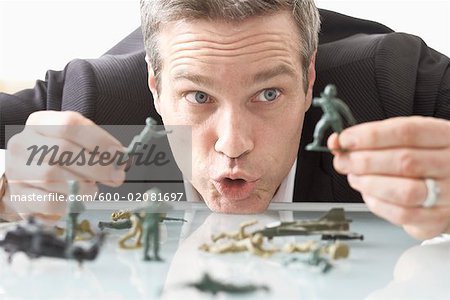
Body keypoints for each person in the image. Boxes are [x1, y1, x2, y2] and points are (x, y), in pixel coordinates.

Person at [0, 0, 449, 240]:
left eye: (268, 94)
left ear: (310, 80)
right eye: (198, 96)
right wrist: (6, 194)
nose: (233, 144)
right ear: (154, 89)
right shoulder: (95, 105)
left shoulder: (393, 84)